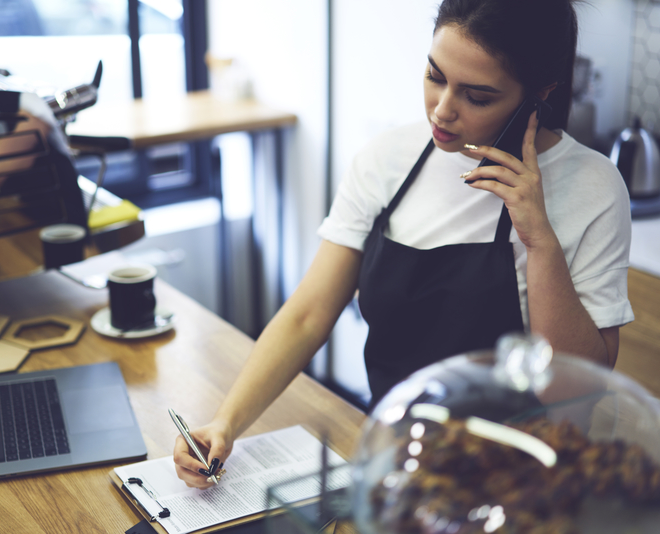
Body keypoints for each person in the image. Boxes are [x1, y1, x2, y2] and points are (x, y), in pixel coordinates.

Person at [174, 0, 634, 488]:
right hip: (395, 472)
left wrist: (539, 239)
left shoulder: (593, 188)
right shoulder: (386, 160)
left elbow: (576, 388)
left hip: (521, 490)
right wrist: (226, 423)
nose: (443, 109)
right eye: (435, 76)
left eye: (477, 97)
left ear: (539, 93)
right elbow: (308, 315)